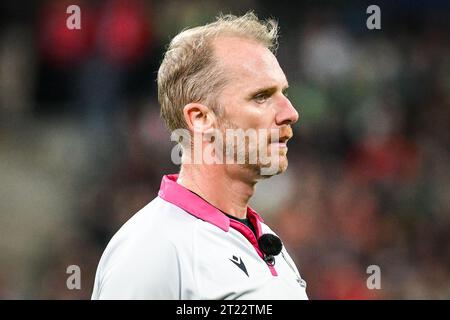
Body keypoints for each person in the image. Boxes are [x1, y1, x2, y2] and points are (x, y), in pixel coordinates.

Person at [91, 12, 308, 300]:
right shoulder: (152, 250)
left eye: (284, 93)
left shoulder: (265, 242)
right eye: (261, 96)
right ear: (201, 118)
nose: (290, 113)